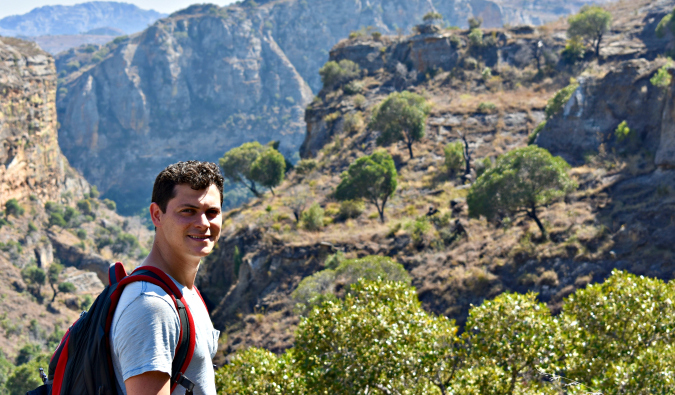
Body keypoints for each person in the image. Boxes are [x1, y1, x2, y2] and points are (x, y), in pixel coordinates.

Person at [110, 161, 223, 395]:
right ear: (156, 215)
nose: (203, 223)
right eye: (188, 211)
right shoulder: (151, 307)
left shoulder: (184, 292)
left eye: (212, 212)